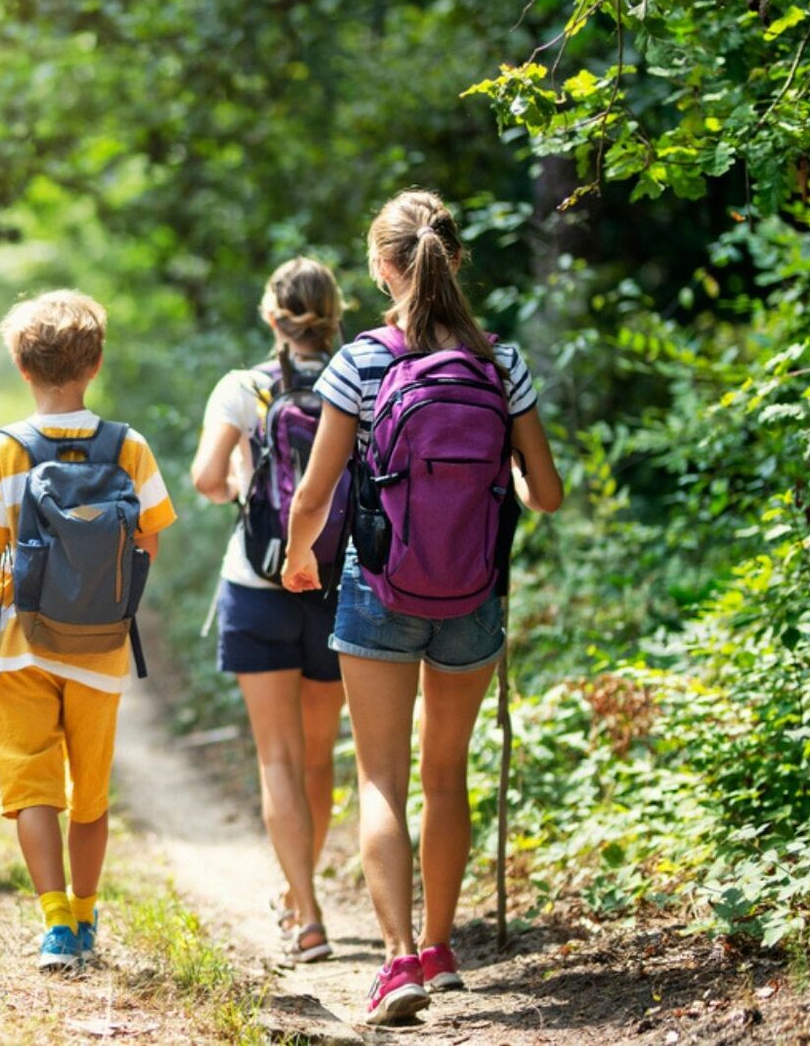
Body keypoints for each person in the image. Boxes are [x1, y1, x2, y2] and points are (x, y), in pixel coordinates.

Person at [282, 190, 562, 1025]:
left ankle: (396, 959)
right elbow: (546, 493)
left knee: (381, 777)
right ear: (456, 256)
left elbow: (315, 493)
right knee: (447, 775)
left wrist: (300, 557)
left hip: (379, 587)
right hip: (473, 593)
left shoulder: (363, 360)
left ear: (380, 265)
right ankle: (441, 950)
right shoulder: (500, 361)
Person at [0, 290, 176, 969]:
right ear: (95, 363)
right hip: (102, 647)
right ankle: (89, 917)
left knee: (33, 786)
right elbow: (148, 542)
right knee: (90, 793)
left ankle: (56, 923)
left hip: (18, 644)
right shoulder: (130, 447)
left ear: (21, 368)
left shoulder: (2, 450)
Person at [188, 257, 348, 965]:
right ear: (335, 312)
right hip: (337, 583)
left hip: (257, 584)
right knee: (318, 757)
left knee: (276, 758)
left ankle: (305, 912)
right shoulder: (359, 379)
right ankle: (298, 892)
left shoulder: (244, 387)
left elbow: (204, 477)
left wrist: (243, 496)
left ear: (271, 315)